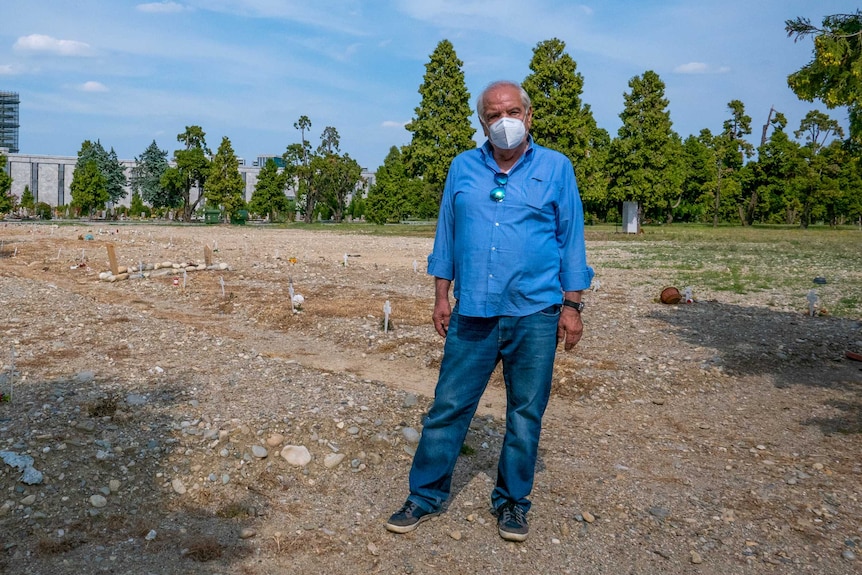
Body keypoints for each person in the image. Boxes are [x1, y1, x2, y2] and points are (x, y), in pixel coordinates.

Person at [385, 80, 594, 542]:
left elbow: (570, 240)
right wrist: (441, 296)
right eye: (494, 115)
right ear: (482, 122)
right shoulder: (462, 168)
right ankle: (425, 495)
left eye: (513, 112)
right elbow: (447, 235)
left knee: (525, 413)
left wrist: (573, 306)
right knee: (448, 407)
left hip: (536, 313)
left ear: (529, 116)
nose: (505, 123)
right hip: (472, 313)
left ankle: (513, 503)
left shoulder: (557, 168)